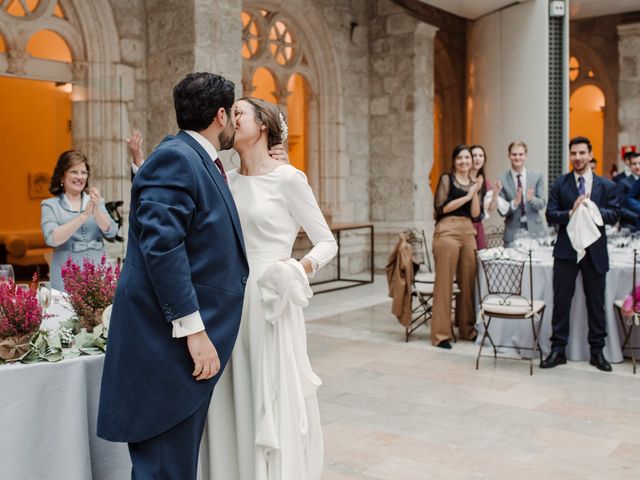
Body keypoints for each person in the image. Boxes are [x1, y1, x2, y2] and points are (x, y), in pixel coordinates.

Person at [98, 72, 249, 479]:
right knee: (165, 467)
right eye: (232, 114)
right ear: (221, 115)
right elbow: (162, 249)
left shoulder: (198, 159)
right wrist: (194, 332)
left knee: (177, 465)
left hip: (182, 344)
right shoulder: (176, 158)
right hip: (168, 345)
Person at [204, 97, 337, 480]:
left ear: (263, 125)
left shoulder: (289, 178)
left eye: (240, 112)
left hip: (271, 300)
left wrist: (297, 268)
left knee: (268, 390)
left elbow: (326, 241)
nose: (232, 118)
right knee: (231, 387)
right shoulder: (224, 180)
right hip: (229, 296)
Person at [541, 136, 619, 372]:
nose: (577, 158)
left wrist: (592, 210)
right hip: (566, 251)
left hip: (595, 252)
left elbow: (614, 214)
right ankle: (558, 350)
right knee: (562, 301)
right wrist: (570, 212)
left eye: (582, 153)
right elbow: (550, 215)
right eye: (573, 153)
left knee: (596, 304)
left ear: (590, 154)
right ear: (570, 155)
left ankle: (597, 351)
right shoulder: (560, 184)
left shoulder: (607, 186)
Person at [40, 150, 117, 291]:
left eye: (84, 172)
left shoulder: (96, 202)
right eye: (74, 172)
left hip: (99, 276)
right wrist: (83, 216)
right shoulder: (50, 205)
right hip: (66, 279)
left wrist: (96, 210)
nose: (79, 177)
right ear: (62, 176)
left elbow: (111, 232)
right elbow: (51, 238)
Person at [431, 145, 482, 349]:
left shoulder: (473, 183)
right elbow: (441, 207)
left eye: (467, 158)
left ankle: (467, 329)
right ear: (454, 161)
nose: (464, 161)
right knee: (445, 283)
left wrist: (475, 192)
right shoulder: (447, 179)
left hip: (468, 231)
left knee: (468, 282)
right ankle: (441, 334)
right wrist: (467, 196)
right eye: (460, 158)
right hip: (448, 230)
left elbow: (476, 214)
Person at [497, 140, 546, 246]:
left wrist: (531, 199)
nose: (517, 157)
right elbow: (502, 211)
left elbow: (542, 203)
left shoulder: (537, 176)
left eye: (521, 154)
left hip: (535, 231)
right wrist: (514, 203)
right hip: (512, 232)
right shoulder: (501, 179)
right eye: (514, 154)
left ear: (526, 156)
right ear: (509, 156)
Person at [469, 144, 500, 249]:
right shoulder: (463, 180)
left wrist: (495, 193)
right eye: (474, 155)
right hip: (464, 227)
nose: (478, 158)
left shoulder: (485, 182)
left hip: (478, 226)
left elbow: (490, 208)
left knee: (479, 260)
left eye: (481, 156)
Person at [618, 152, 640, 231]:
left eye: (639, 163)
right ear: (630, 166)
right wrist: (637, 217)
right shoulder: (623, 183)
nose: (637, 166)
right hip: (629, 225)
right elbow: (619, 207)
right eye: (634, 164)